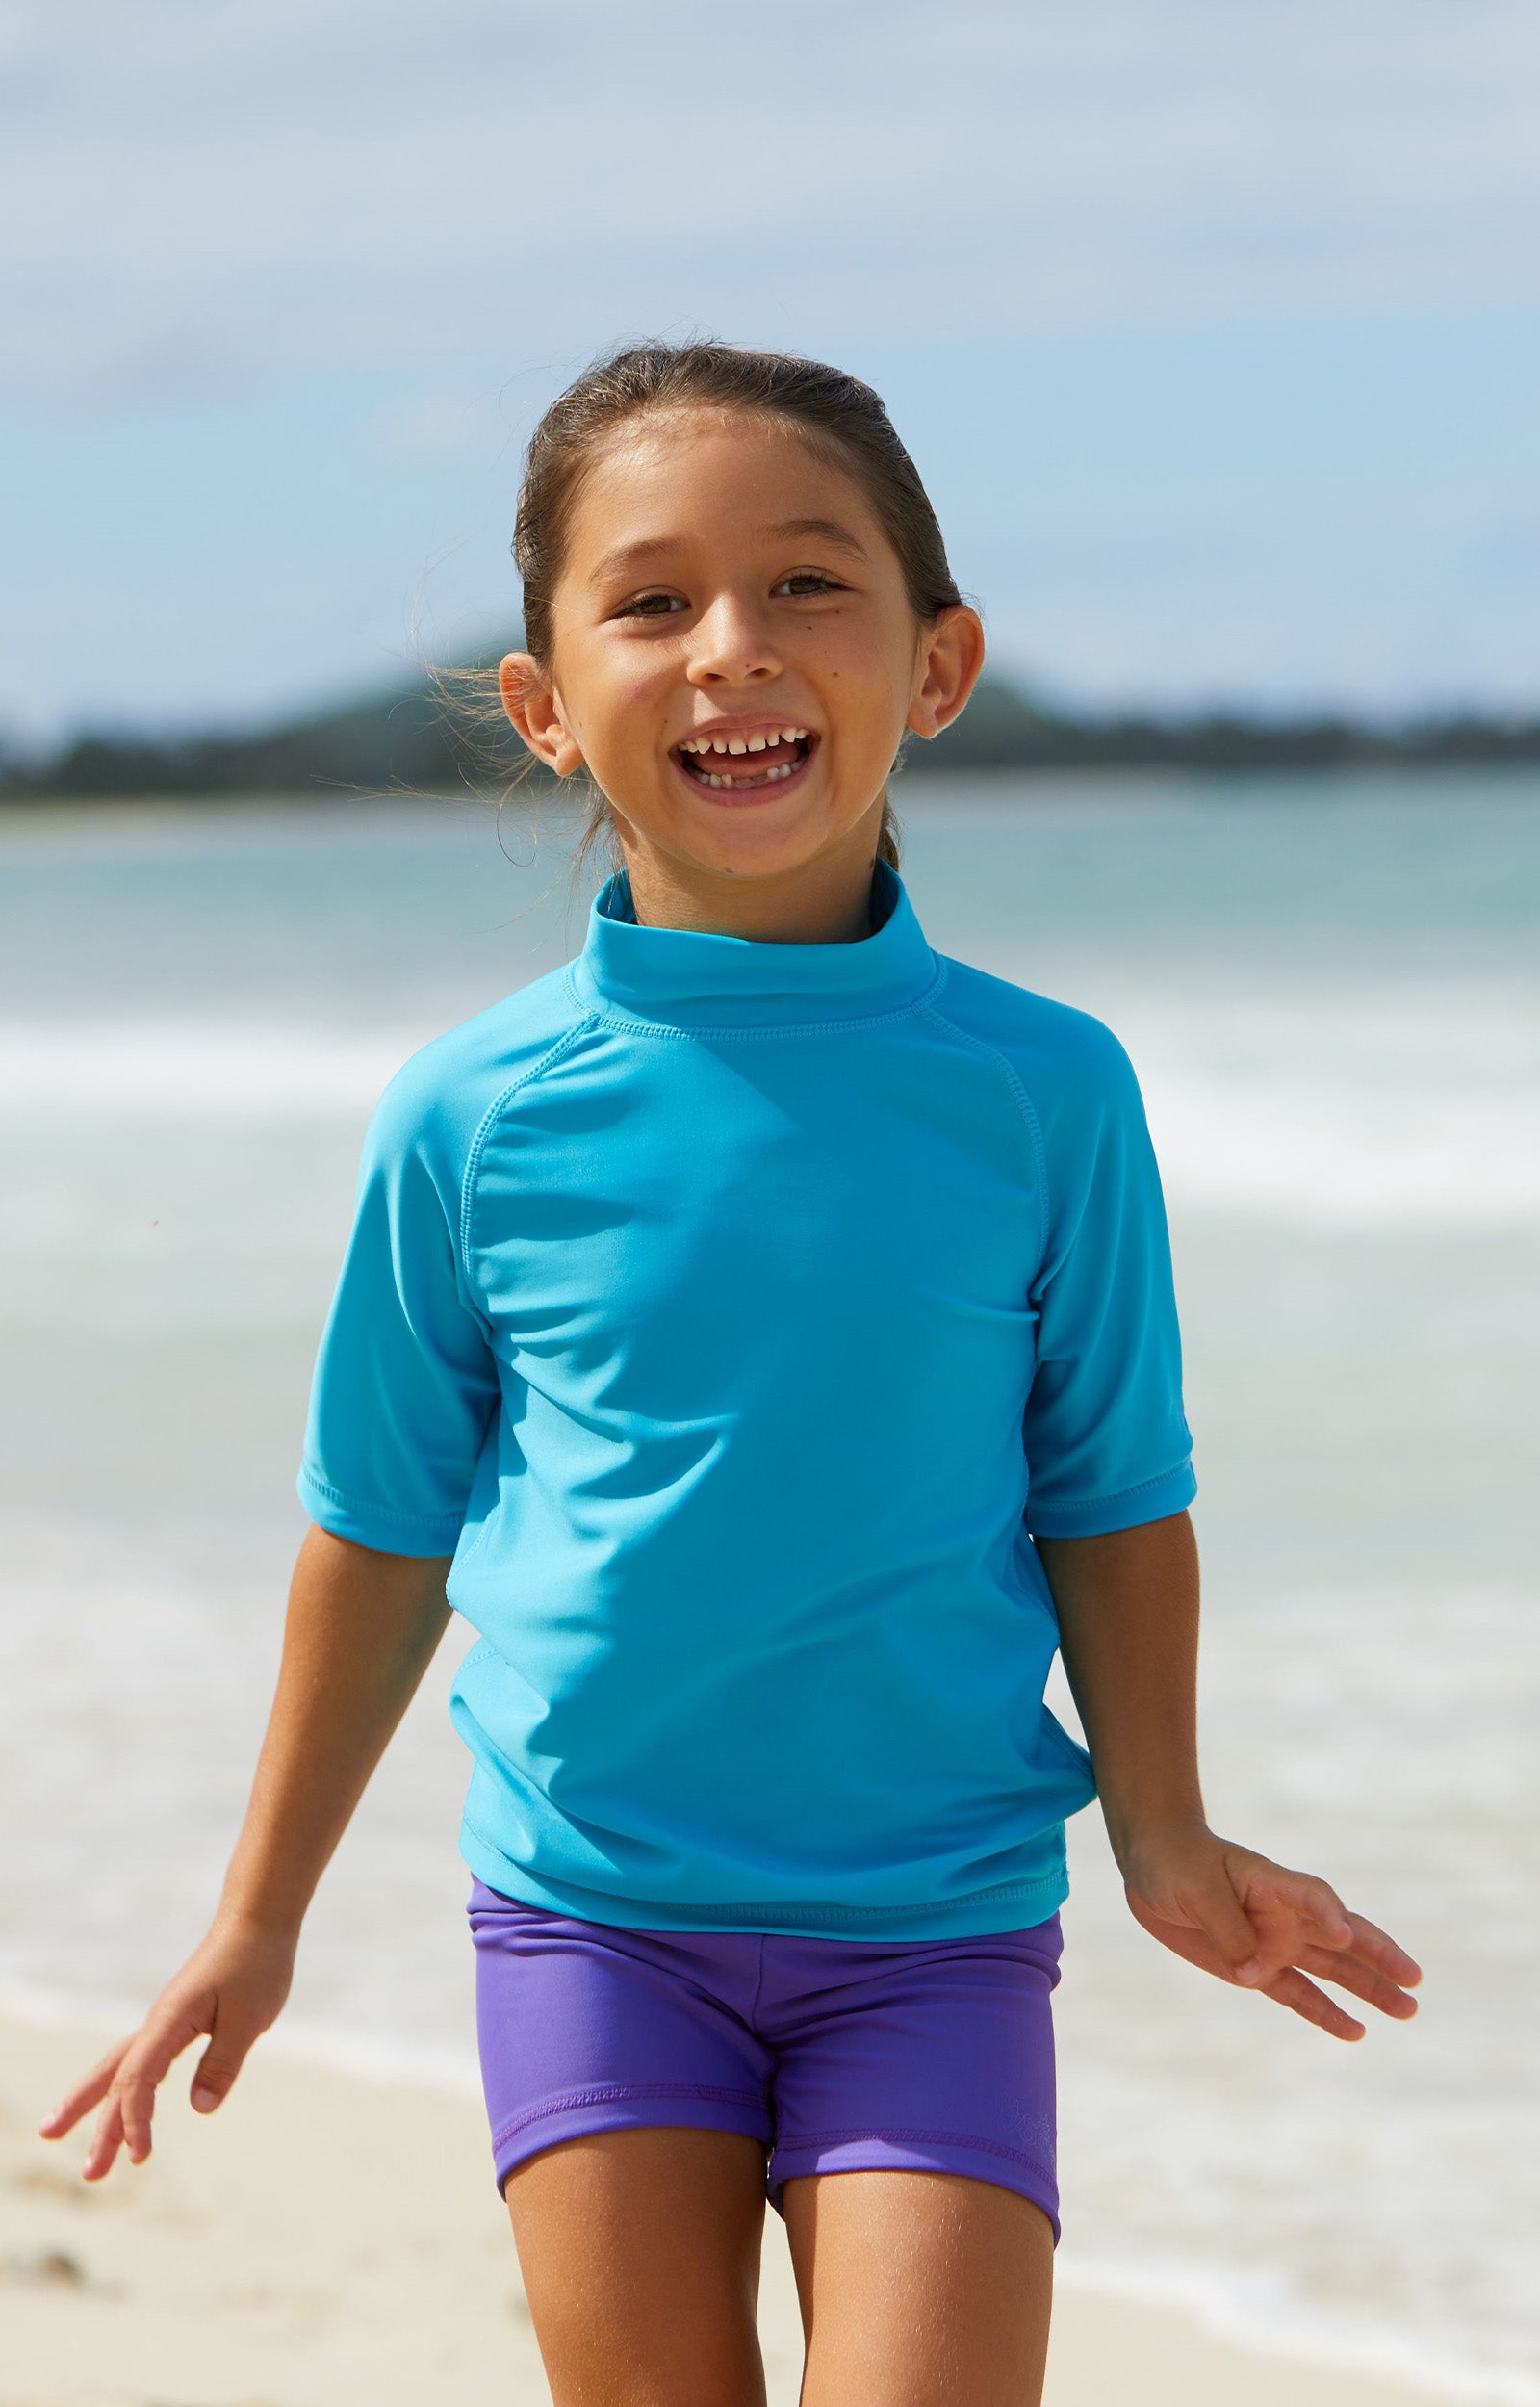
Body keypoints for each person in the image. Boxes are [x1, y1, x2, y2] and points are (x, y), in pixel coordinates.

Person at [40, 344, 1421, 2407]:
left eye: (804, 585)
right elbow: (381, 1523)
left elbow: (1107, 1484)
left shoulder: (1044, 1091)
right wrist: (259, 1916)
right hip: (594, 1918)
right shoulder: (474, 1115)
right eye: (651, 598)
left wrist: (1161, 1829)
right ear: (540, 702)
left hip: (933, 1920)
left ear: (936, 664)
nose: (731, 651)